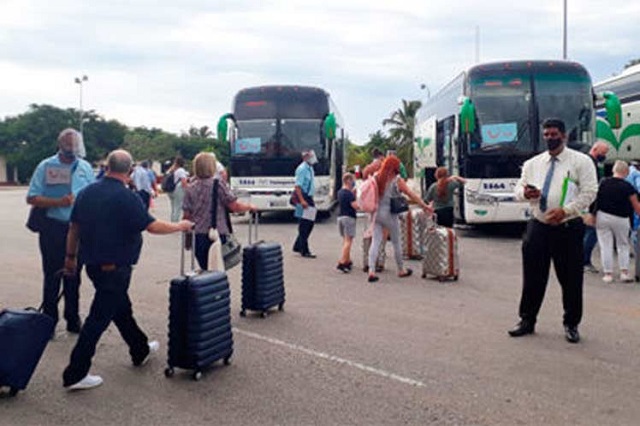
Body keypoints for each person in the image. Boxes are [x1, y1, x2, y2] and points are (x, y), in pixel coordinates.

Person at [61, 149, 193, 391]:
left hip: (93, 265)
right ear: (130, 170)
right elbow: (152, 226)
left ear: (107, 167)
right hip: (115, 268)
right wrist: (180, 225)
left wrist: (70, 258)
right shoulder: (125, 197)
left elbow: (74, 227)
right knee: (98, 319)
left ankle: (139, 349)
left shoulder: (87, 192)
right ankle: (75, 373)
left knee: (122, 310)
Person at [508, 118, 597, 344]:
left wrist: (565, 211)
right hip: (538, 226)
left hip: (567, 228)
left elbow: (589, 192)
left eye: (554, 134)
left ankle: (571, 324)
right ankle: (527, 320)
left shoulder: (581, 161)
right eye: (546, 134)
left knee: (571, 280)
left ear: (564, 136)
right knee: (533, 278)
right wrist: (524, 194)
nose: (549, 138)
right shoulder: (533, 163)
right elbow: (518, 188)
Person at [26, 128, 95, 335]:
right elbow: (32, 197)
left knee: (74, 276)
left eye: (75, 146)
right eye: (68, 146)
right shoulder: (46, 166)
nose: (72, 150)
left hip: (78, 228)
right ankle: (49, 321)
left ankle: (72, 318)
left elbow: (91, 194)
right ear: (60, 146)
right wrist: (58, 201)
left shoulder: (85, 167)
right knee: (52, 275)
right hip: (53, 227)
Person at [182, 152, 257, 270]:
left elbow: (186, 216)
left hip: (198, 236)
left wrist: (187, 237)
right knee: (218, 270)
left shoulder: (190, 188)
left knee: (204, 270)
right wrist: (250, 207)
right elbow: (234, 206)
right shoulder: (218, 184)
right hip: (217, 234)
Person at [367, 156, 432, 283]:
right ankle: (401, 269)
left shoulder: (376, 177)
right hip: (390, 214)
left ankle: (371, 270)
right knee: (397, 242)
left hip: (376, 213)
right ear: (395, 167)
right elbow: (410, 194)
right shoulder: (396, 180)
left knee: (375, 242)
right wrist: (424, 206)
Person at [594, 160, 640, 283]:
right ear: (626, 172)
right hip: (622, 218)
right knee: (623, 245)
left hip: (602, 216)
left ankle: (608, 274)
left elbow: (595, 199)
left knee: (605, 246)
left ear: (614, 170)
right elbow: (636, 206)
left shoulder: (603, 183)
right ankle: (624, 273)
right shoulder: (628, 187)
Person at [582, 141, 610, 273]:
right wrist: (593, 210)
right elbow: (592, 188)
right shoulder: (590, 163)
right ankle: (584, 261)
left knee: (587, 233)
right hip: (590, 204)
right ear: (595, 149)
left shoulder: (588, 161)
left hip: (587, 203)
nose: (604, 156)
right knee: (591, 233)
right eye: (603, 153)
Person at [292, 150, 318, 258]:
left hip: (309, 197)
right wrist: (302, 200)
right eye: (311, 156)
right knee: (304, 224)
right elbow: (298, 186)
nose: (314, 158)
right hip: (303, 197)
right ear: (305, 157)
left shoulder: (310, 168)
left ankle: (298, 245)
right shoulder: (302, 169)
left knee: (310, 223)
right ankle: (304, 250)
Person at [336, 173, 359, 273]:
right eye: (352, 180)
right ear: (348, 180)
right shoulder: (349, 194)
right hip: (349, 217)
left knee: (345, 240)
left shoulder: (340, 192)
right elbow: (355, 206)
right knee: (349, 241)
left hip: (340, 217)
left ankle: (348, 260)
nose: (353, 182)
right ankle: (342, 261)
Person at [167, 157, 189, 222]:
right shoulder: (181, 170)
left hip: (171, 190)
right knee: (178, 206)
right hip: (178, 190)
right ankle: (176, 222)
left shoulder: (171, 170)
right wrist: (188, 188)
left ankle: (173, 220)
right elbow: (183, 182)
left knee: (173, 207)